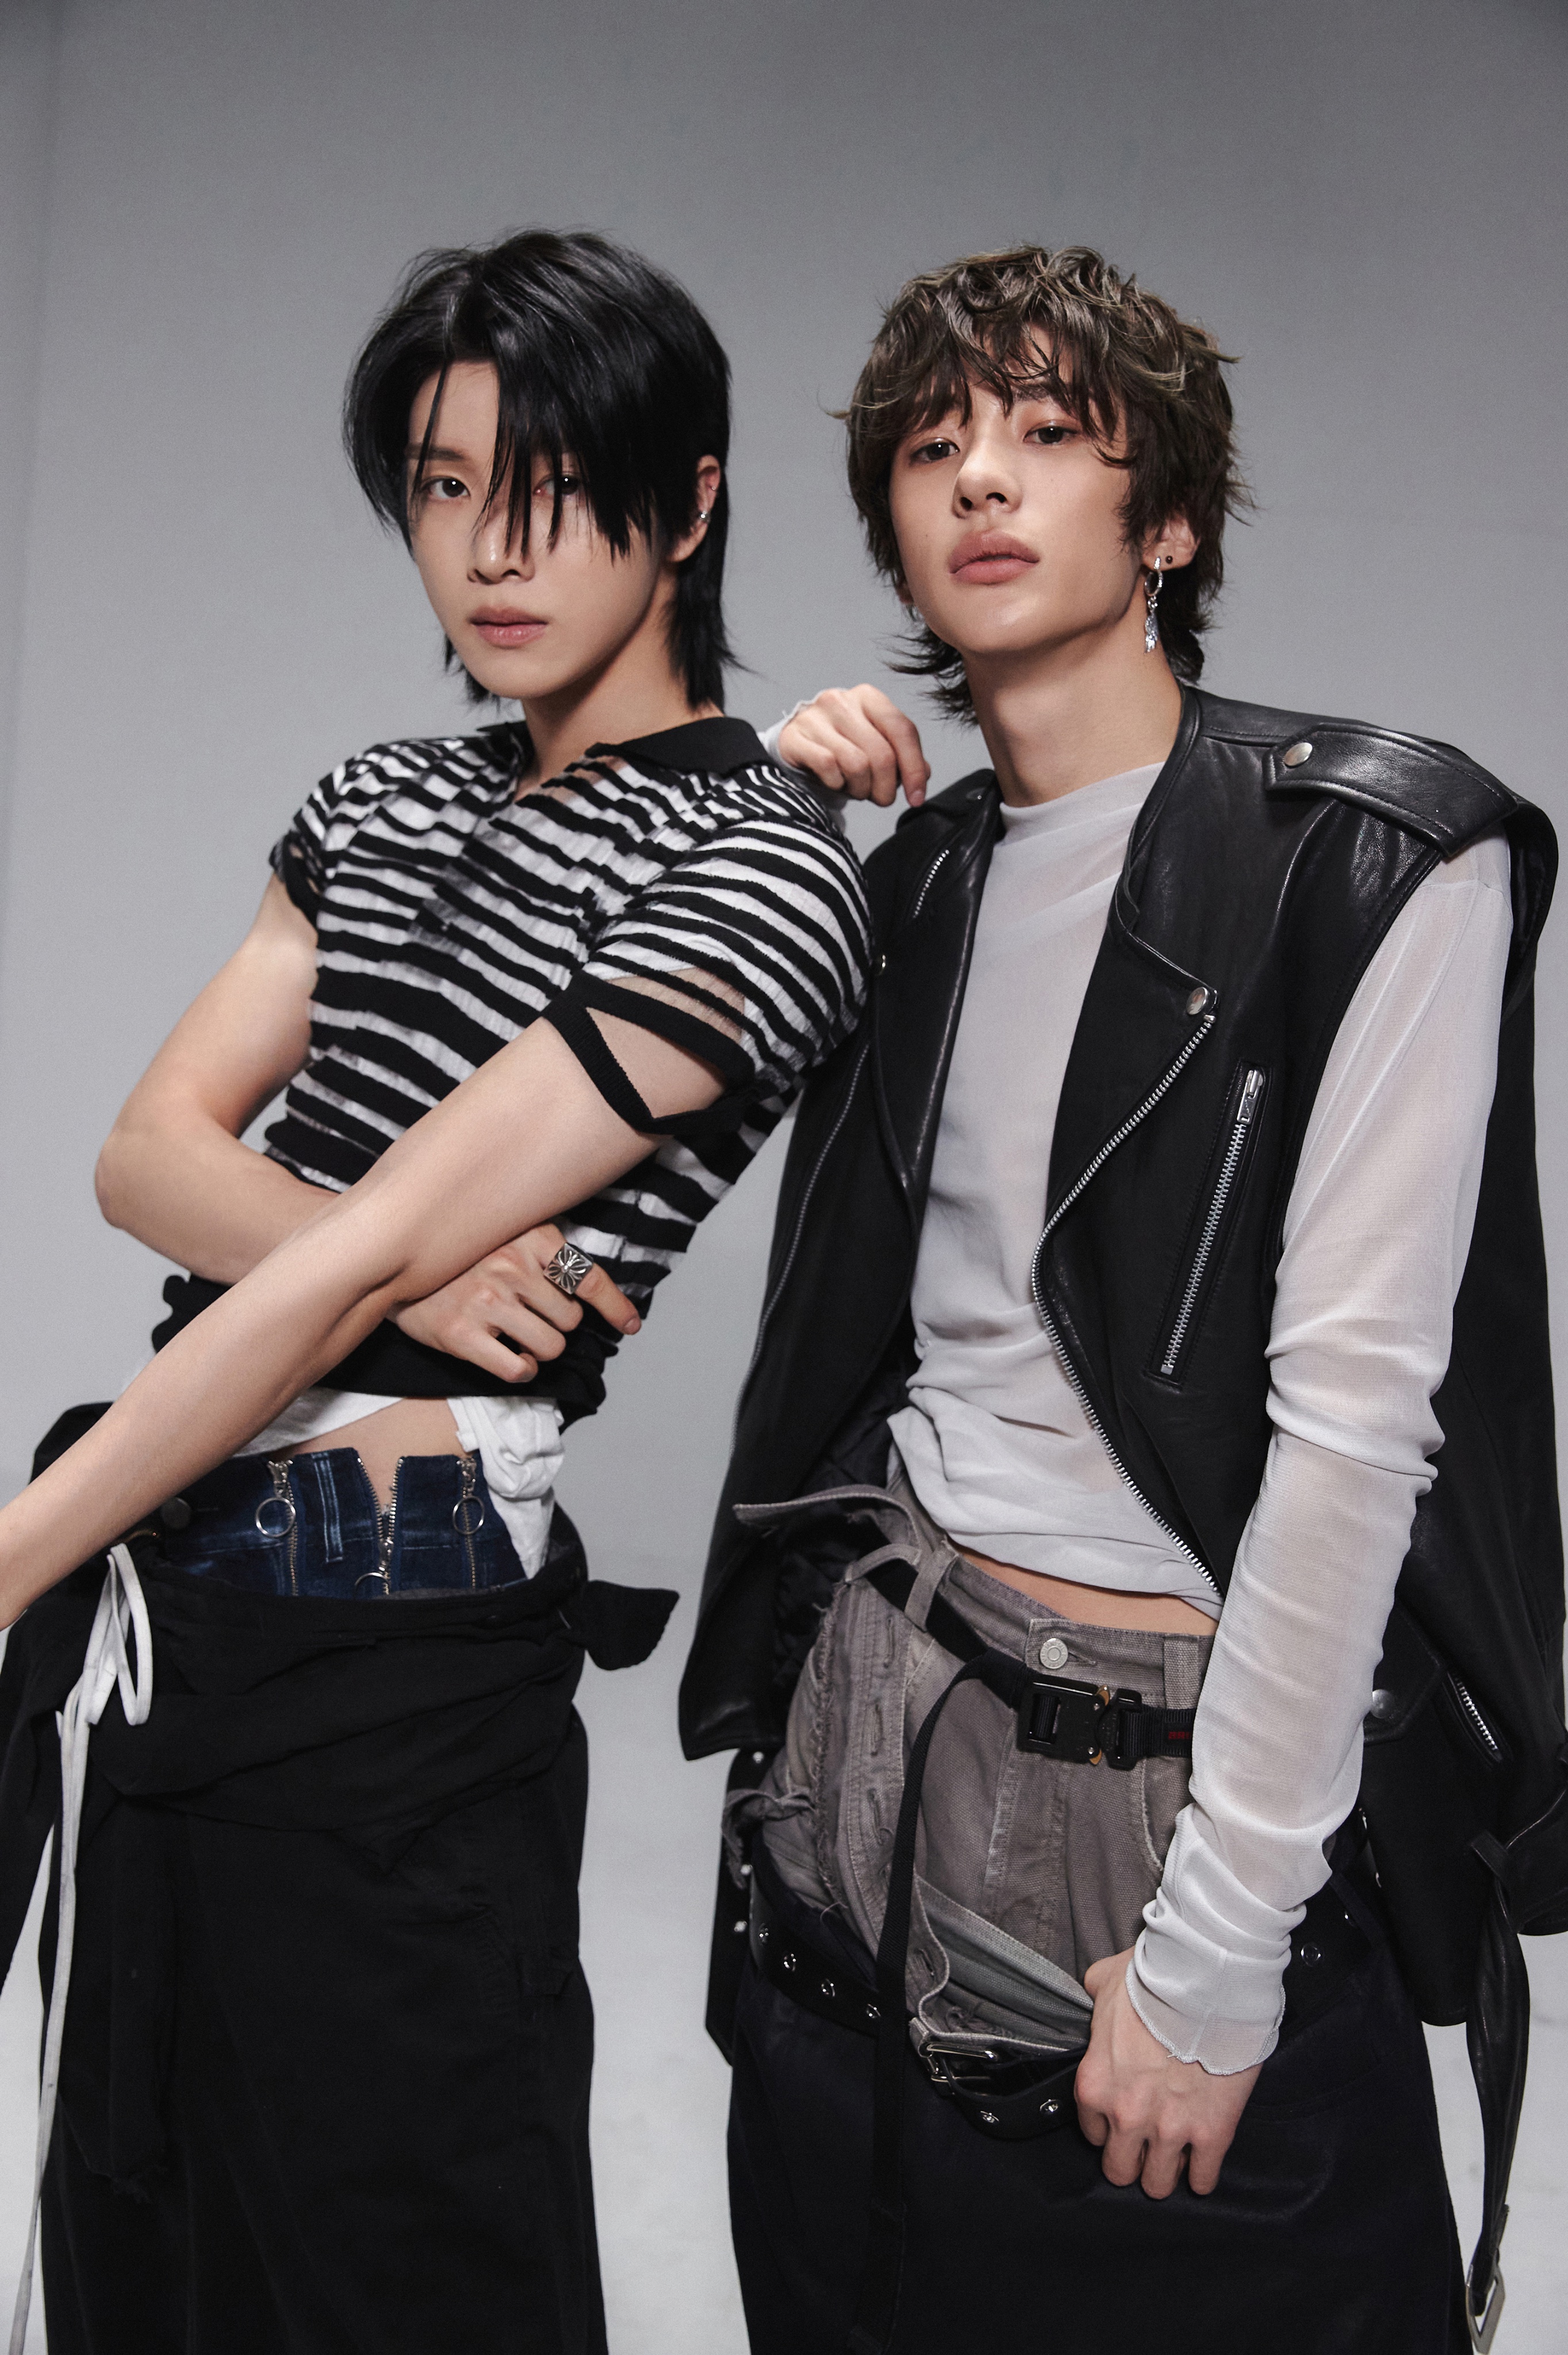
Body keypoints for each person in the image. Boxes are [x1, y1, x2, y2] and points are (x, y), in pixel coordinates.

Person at [684, 245, 1564, 2353]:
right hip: (857, 1749)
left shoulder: (1373, 856)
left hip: (1161, 1805)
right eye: (931, 447)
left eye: (1048, 435)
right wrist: (746, 814)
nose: (980, 479)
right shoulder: (911, 881)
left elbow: (1353, 1436)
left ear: (1163, 519)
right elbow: (580, 1135)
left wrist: (1218, 1955)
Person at [0, 228, 870, 2355]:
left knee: (412, 2284)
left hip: (400, 1667)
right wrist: (396, 1245)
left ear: (689, 501)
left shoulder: (759, 863)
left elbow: (325, 1248)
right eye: (442, 484)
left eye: (552, 487)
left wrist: (11, 1552)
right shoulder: (377, 798)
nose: (489, 549)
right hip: (171, 1637)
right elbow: (141, 1157)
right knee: (143, 2269)